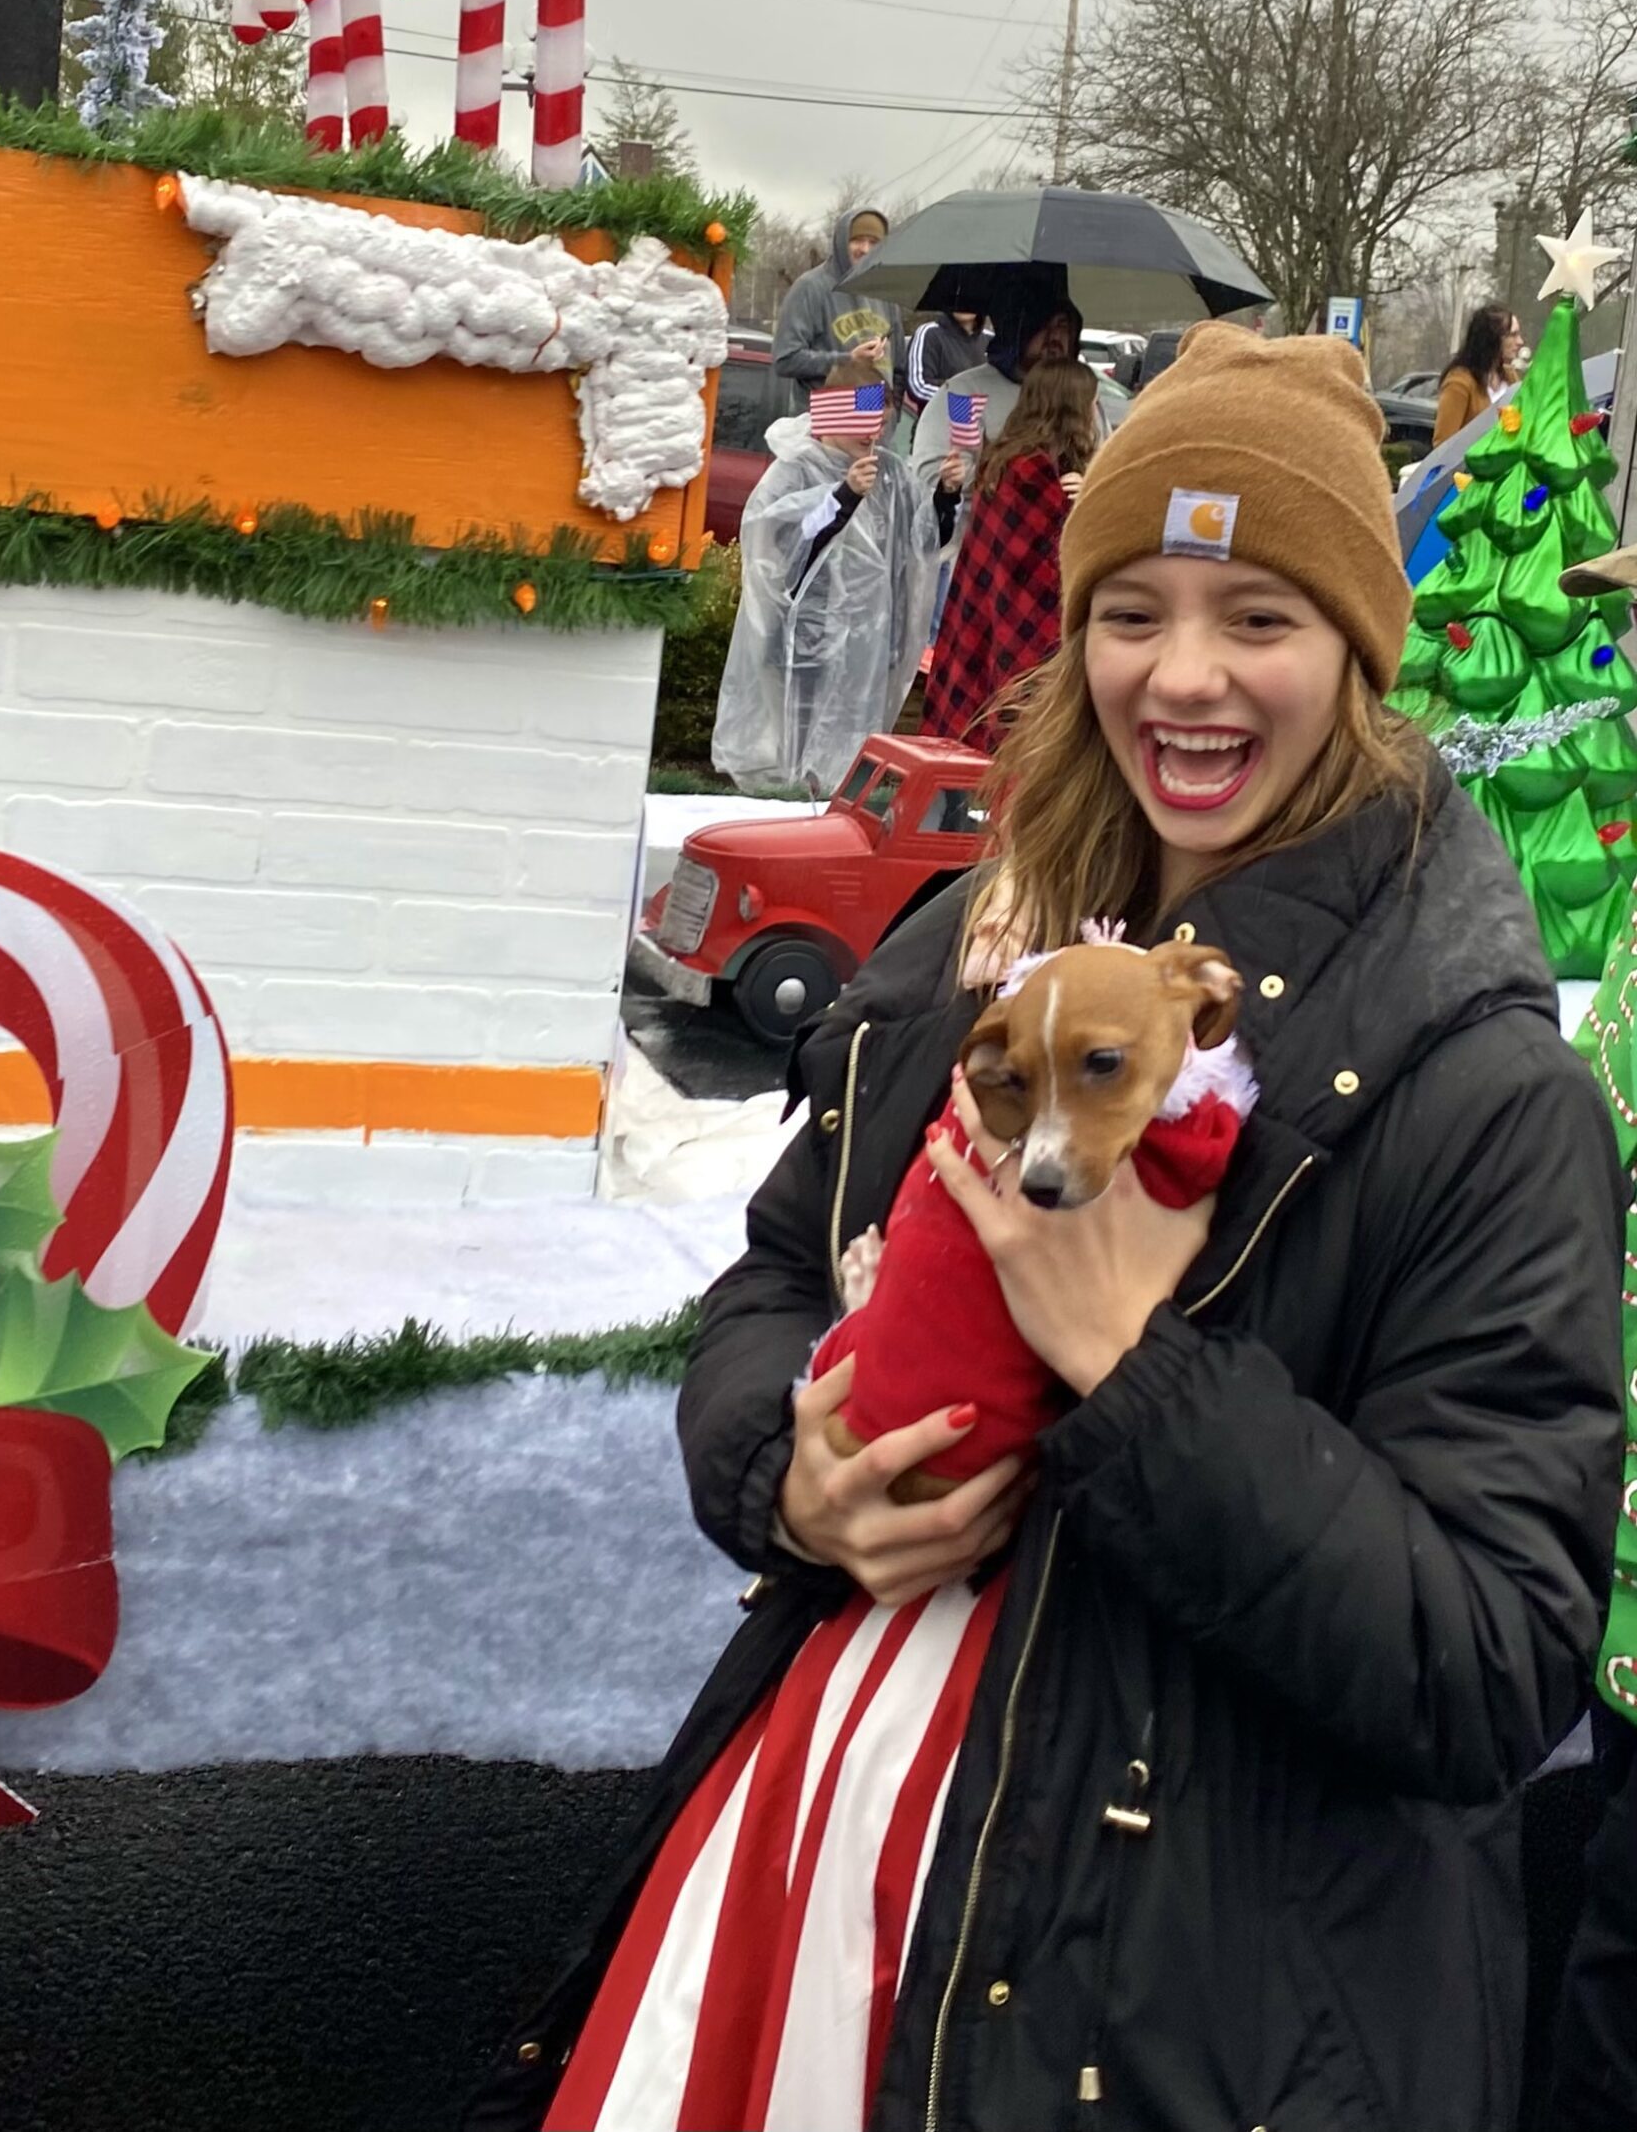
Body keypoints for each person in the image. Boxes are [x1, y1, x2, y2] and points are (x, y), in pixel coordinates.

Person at [470, 327, 1622, 2132]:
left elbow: (1489, 1665)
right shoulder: (970, 949)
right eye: (1132, 611)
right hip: (819, 1868)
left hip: (1185, 2018)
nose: (1184, 675)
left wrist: (1132, 1367)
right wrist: (785, 1470)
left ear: (1358, 650)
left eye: (1260, 616)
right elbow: (774, 1275)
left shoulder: (1474, 1087)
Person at [712, 362, 962, 797]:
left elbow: (923, 544)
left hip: (865, 649)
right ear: (833, 413)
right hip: (799, 649)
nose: (872, 435)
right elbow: (778, 551)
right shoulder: (794, 470)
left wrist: (946, 495)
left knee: (847, 761)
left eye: (880, 424)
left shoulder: (889, 474)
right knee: (793, 761)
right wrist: (843, 495)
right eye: (863, 422)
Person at [918, 358, 1100, 751]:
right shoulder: (1031, 473)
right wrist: (1088, 505)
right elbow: (1068, 566)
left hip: (984, 626)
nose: (1094, 415)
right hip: (1025, 638)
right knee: (1017, 745)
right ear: (1071, 409)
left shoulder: (1004, 461)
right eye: (1090, 404)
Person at [909, 271, 1124, 482]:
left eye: (1063, 325)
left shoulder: (1082, 395)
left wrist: (1086, 485)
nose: (1054, 336)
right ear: (1016, 329)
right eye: (1041, 325)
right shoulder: (964, 395)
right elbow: (937, 476)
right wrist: (1021, 485)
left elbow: (1106, 467)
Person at [771, 206, 903, 420]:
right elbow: (785, 359)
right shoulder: (811, 287)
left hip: (873, 427)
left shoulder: (885, 293)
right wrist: (848, 360)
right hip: (824, 426)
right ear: (842, 242)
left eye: (873, 242)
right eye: (857, 240)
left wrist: (892, 417)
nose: (865, 249)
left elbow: (898, 370)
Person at [1435, 304, 1525, 446]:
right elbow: (1443, 445)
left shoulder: (1511, 377)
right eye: (1513, 335)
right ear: (1492, 338)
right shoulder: (1459, 383)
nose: (1520, 342)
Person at [902, 309, 987, 419]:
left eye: (971, 301)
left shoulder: (991, 340)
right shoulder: (929, 333)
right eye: (958, 300)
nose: (964, 306)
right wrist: (963, 399)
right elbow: (918, 387)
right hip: (935, 425)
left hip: (985, 427)